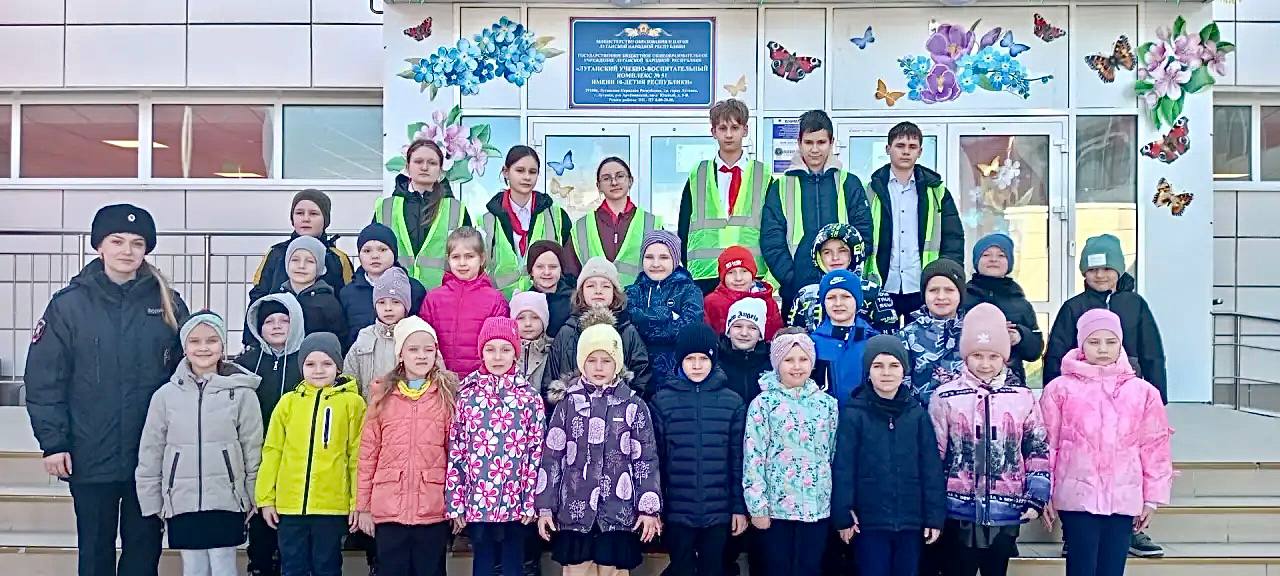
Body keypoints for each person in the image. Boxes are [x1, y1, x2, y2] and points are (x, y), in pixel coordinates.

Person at [26, 203, 187, 576]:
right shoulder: (68, 306)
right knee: (95, 551)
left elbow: (188, 372)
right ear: (99, 245)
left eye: (137, 243)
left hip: (148, 454)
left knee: (143, 552)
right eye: (117, 241)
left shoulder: (167, 303)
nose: (127, 251)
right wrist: (53, 442)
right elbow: (45, 379)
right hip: (89, 453)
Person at [1041, 309, 1173, 576]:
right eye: (1094, 341)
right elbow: (1046, 445)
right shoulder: (1059, 389)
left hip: (1123, 496)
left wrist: (1152, 498)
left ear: (1121, 343)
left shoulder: (1143, 392)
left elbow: (1154, 448)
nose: (1102, 349)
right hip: (1077, 497)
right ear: (1081, 344)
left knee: (1112, 568)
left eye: (1110, 342)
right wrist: (1043, 492)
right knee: (1081, 566)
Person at [927, 304, 1051, 576]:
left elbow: (1037, 449)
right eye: (977, 356)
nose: (985, 364)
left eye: (993, 356)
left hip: (1006, 509)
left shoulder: (1022, 397)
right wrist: (933, 505)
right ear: (965, 355)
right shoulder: (945, 397)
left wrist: (1036, 497)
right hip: (957, 511)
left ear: (1004, 357)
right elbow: (934, 455)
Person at [136, 311, 263, 576]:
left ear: (222, 346)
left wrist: (254, 493)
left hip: (227, 496)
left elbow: (253, 447)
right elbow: (151, 450)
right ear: (184, 347)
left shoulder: (242, 393)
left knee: (223, 563)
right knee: (193, 566)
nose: (203, 348)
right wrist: (151, 498)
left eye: (211, 340)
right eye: (195, 341)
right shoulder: (165, 396)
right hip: (182, 498)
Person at [536, 314, 662, 576]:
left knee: (612, 570)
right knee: (577, 570)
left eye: (606, 360)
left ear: (617, 363)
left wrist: (648, 509)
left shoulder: (633, 405)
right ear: (582, 362)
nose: (599, 367)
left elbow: (646, 461)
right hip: (575, 510)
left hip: (617, 511)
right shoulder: (568, 404)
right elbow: (552, 459)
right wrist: (546, 507)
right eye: (592, 360)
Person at [832, 335, 946, 576]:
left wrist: (934, 516)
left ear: (904, 370)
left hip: (911, 520)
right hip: (868, 521)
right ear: (868, 371)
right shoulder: (854, 414)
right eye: (878, 366)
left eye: (894, 365)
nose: (886, 373)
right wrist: (843, 512)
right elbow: (843, 467)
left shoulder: (917, 415)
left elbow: (931, 468)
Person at [256, 332, 367, 576]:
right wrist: (266, 498)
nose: (318, 370)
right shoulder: (288, 403)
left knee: (326, 566)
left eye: (326, 363)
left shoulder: (353, 404)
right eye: (310, 364)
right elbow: (272, 451)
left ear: (338, 367)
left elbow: (357, 456)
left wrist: (357, 503)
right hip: (290, 506)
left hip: (331, 507)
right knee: (292, 566)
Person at [356, 316, 458, 576]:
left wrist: (456, 505)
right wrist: (363, 507)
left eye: (428, 349)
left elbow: (455, 456)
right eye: (413, 349)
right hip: (389, 510)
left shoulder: (445, 397)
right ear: (401, 355)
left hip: (433, 509)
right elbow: (368, 455)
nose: (421, 356)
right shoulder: (382, 397)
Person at [447, 317, 546, 576]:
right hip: (479, 500)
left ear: (515, 353)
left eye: (505, 349)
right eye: (490, 349)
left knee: (514, 562)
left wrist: (530, 501)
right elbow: (457, 451)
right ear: (481, 353)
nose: (498, 357)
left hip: (515, 501)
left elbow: (535, 453)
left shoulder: (529, 398)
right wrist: (456, 501)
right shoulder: (467, 395)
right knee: (483, 562)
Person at [650, 324, 748, 576]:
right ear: (679, 361)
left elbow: (738, 461)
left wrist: (738, 508)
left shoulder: (732, 402)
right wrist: (656, 509)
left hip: (718, 512)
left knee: (714, 568)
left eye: (703, 358)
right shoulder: (662, 402)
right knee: (681, 568)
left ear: (713, 360)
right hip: (678, 512)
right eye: (689, 359)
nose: (696, 365)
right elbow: (655, 462)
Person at [743, 329, 839, 576]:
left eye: (803, 359)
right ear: (777, 363)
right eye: (789, 360)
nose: (796, 366)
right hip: (777, 509)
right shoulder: (763, 404)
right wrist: (758, 507)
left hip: (816, 508)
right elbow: (754, 457)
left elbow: (833, 454)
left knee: (809, 568)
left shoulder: (827, 405)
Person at [760, 110, 874, 316]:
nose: (814, 149)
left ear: (832, 143)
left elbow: (864, 233)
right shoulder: (781, 186)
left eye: (821, 142)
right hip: (797, 291)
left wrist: (849, 274)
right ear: (799, 143)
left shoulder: (849, 183)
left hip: (844, 292)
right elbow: (771, 239)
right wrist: (791, 277)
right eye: (808, 142)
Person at [1044, 233, 1167, 403]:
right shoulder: (1073, 307)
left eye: (1107, 269)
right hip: (1082, 395)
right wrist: (1051, 397)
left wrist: (1158, 398)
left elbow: (1152, 353)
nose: (1100, 275)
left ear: (1119, 270)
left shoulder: (1135, 304)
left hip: (1127, 393)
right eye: (1093, 270)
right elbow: (1056, 354)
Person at [864, 122, 965, 323]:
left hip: (924, 286)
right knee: (883, 342)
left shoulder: (937, 192)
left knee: (924, 341)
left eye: (912, 147)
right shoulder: (870, 191)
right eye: (900, 146)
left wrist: (948, 277)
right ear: (888, 149)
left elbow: (953, 239)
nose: (906, 152)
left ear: (920, 151)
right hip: (882, 286)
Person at [237, 292, 305, 576]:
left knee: (291, 535)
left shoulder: (307, 361)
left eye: (283, 320)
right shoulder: (247, 363)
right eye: (269, 321)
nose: (276, 326)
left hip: (296, 459)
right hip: (257, 456)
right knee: (261, 527)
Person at [678, 99, 774, 294]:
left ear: (745, 130)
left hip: (750, 274)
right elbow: (684, 227)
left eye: (735, 128)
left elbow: (772, 229)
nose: (729, 135)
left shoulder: (764, 175)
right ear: (713, 132)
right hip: (706, 275)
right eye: (722, 128)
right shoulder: (698, 174)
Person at [248, 189, 354, 345]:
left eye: (313, 214)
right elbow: (258, 297)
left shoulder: (337, 258)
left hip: (320, 347)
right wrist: (251, 342)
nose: (306, 219)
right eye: (299, 213)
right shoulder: (276, 253)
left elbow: (347, 300)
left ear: (325, 219)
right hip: (280, 344)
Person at [543, 257, 651, 396]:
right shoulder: (567, 332)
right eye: (591, 286)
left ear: (615, 292)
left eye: (606, 286)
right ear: (581, 292)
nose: (598, 291)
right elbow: (550, 379)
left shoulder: (627, 331)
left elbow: (642, 377)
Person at [483, 145, 578, 297]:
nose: (527, 177)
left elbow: (568, 266)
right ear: (506, 172)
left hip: (547, 304)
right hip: (500, 304)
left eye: (532, 172)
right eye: (520, 170)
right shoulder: (487, 219)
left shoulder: (557, 216)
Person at [375, 139, 472, 287]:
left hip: (443, 294)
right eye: (418, 161)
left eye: (432, 163)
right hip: (394, 295)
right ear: (407, 167)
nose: (425, 167)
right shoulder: (385, 207)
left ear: (440, 169)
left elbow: (470, 257)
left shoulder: (456, 209)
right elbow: (371, 252)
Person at [419, 226, 510, 377]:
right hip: (440, 380)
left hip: (481, 382)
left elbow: (499, 345)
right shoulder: (434, 298)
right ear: (448, 259)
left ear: (482, 259)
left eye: (469, 256)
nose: (462, 263)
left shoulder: (495, 300)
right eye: (456, 257)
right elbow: (423, 340)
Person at [624, 231, 704, 393]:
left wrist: (645, 321)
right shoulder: (632, 292)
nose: (656, 264)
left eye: (664, 257)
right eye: (649, 257)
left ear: (675, 259)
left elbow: (688, 330)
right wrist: (667, 314)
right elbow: (629, 324)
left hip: (677, 378)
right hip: (639, 377)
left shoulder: (689, 291)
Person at [788, 223, 898, 334]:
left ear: (855, 253)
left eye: (842, 251)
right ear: (818, 257)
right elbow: (794, 339)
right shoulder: (806, 295)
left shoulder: (874, 292)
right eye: (827, 252)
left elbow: (889, 339)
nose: (835, 257)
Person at [963, 233, 1042, 385]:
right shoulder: (963, 297)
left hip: (1010, 384)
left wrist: (1019, 336)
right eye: (986, 255)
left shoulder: (1020, 303)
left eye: (1001, 255)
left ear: (1009, 262)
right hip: (967, 382)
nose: (993, 259)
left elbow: (1035, 351)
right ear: (976, 261)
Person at [575, 157, 664, 287]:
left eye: (620, 176)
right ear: (598, 186)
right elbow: (570, 276)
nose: (614, 182)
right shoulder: (581, 227)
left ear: (630, 181)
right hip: (595, 300)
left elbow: (666, 271)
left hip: (642, 299)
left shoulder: (652, 223)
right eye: (606, 178)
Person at [340, 223, 428, 344]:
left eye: (382, 249)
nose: (375, 256)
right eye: (367, 251)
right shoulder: (348, 293)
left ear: (394, 253)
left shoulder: (413, 289)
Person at [900, 258, 966, 407]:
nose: (941, 297)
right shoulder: (907, 336)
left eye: (949, 290)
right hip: (921, 417)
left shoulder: (973, 333)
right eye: (933, 290)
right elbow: (901, 387)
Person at [345, 267, 413, 398]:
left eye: (395, 302)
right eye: (381, 302)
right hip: (369, 407)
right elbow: (349, 379)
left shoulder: (417, 336)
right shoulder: (364, 337)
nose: (388, 308)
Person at [810, 269, 878, 400]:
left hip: (864, 411)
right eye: (831, 297)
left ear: (857, 300)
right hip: (826, 411)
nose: (838, 303)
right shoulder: (813, 343)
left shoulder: (873, 341)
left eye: (846, 297)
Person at [279, 235, 349, 349]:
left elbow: (340, 341)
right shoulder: (277, 299)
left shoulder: (328, 304)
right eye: (295, 260)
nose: (301, 266)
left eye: (310, 261)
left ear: (319, 267)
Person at [703, 245, 783, 341]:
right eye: (731, 272)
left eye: (744, 271)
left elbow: (776, 338)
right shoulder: (711, 303)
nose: (738, 278)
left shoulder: (767, 302)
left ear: (753, 273)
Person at [718, 298, 773, 405]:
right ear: (728, 331)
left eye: (752, 328)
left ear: (760, 335)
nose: (744, 333)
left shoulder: (771, 364)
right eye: (738, 326)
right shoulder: (716, 362)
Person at [527, 240, 576, 336]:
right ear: (531, 271)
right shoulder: (524, 302)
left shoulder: (574, 301)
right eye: (540, 267)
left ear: (561, 269)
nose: (547, 272)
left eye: (553, 267)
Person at [511, 291, 554, 393]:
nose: (528, 323)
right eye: (520, 318)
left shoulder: (553, 350)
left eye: (535, 317)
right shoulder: (507, 351)